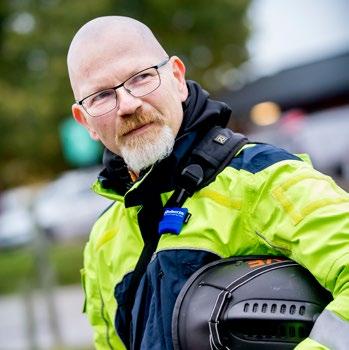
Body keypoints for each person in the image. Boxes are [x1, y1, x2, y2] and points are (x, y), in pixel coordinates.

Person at [67, 16, 349, 350]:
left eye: (142, 77)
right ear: (86, 122)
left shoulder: (264, 180)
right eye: (101, 96)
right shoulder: (104, 239)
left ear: (177, 77)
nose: (127, 105)